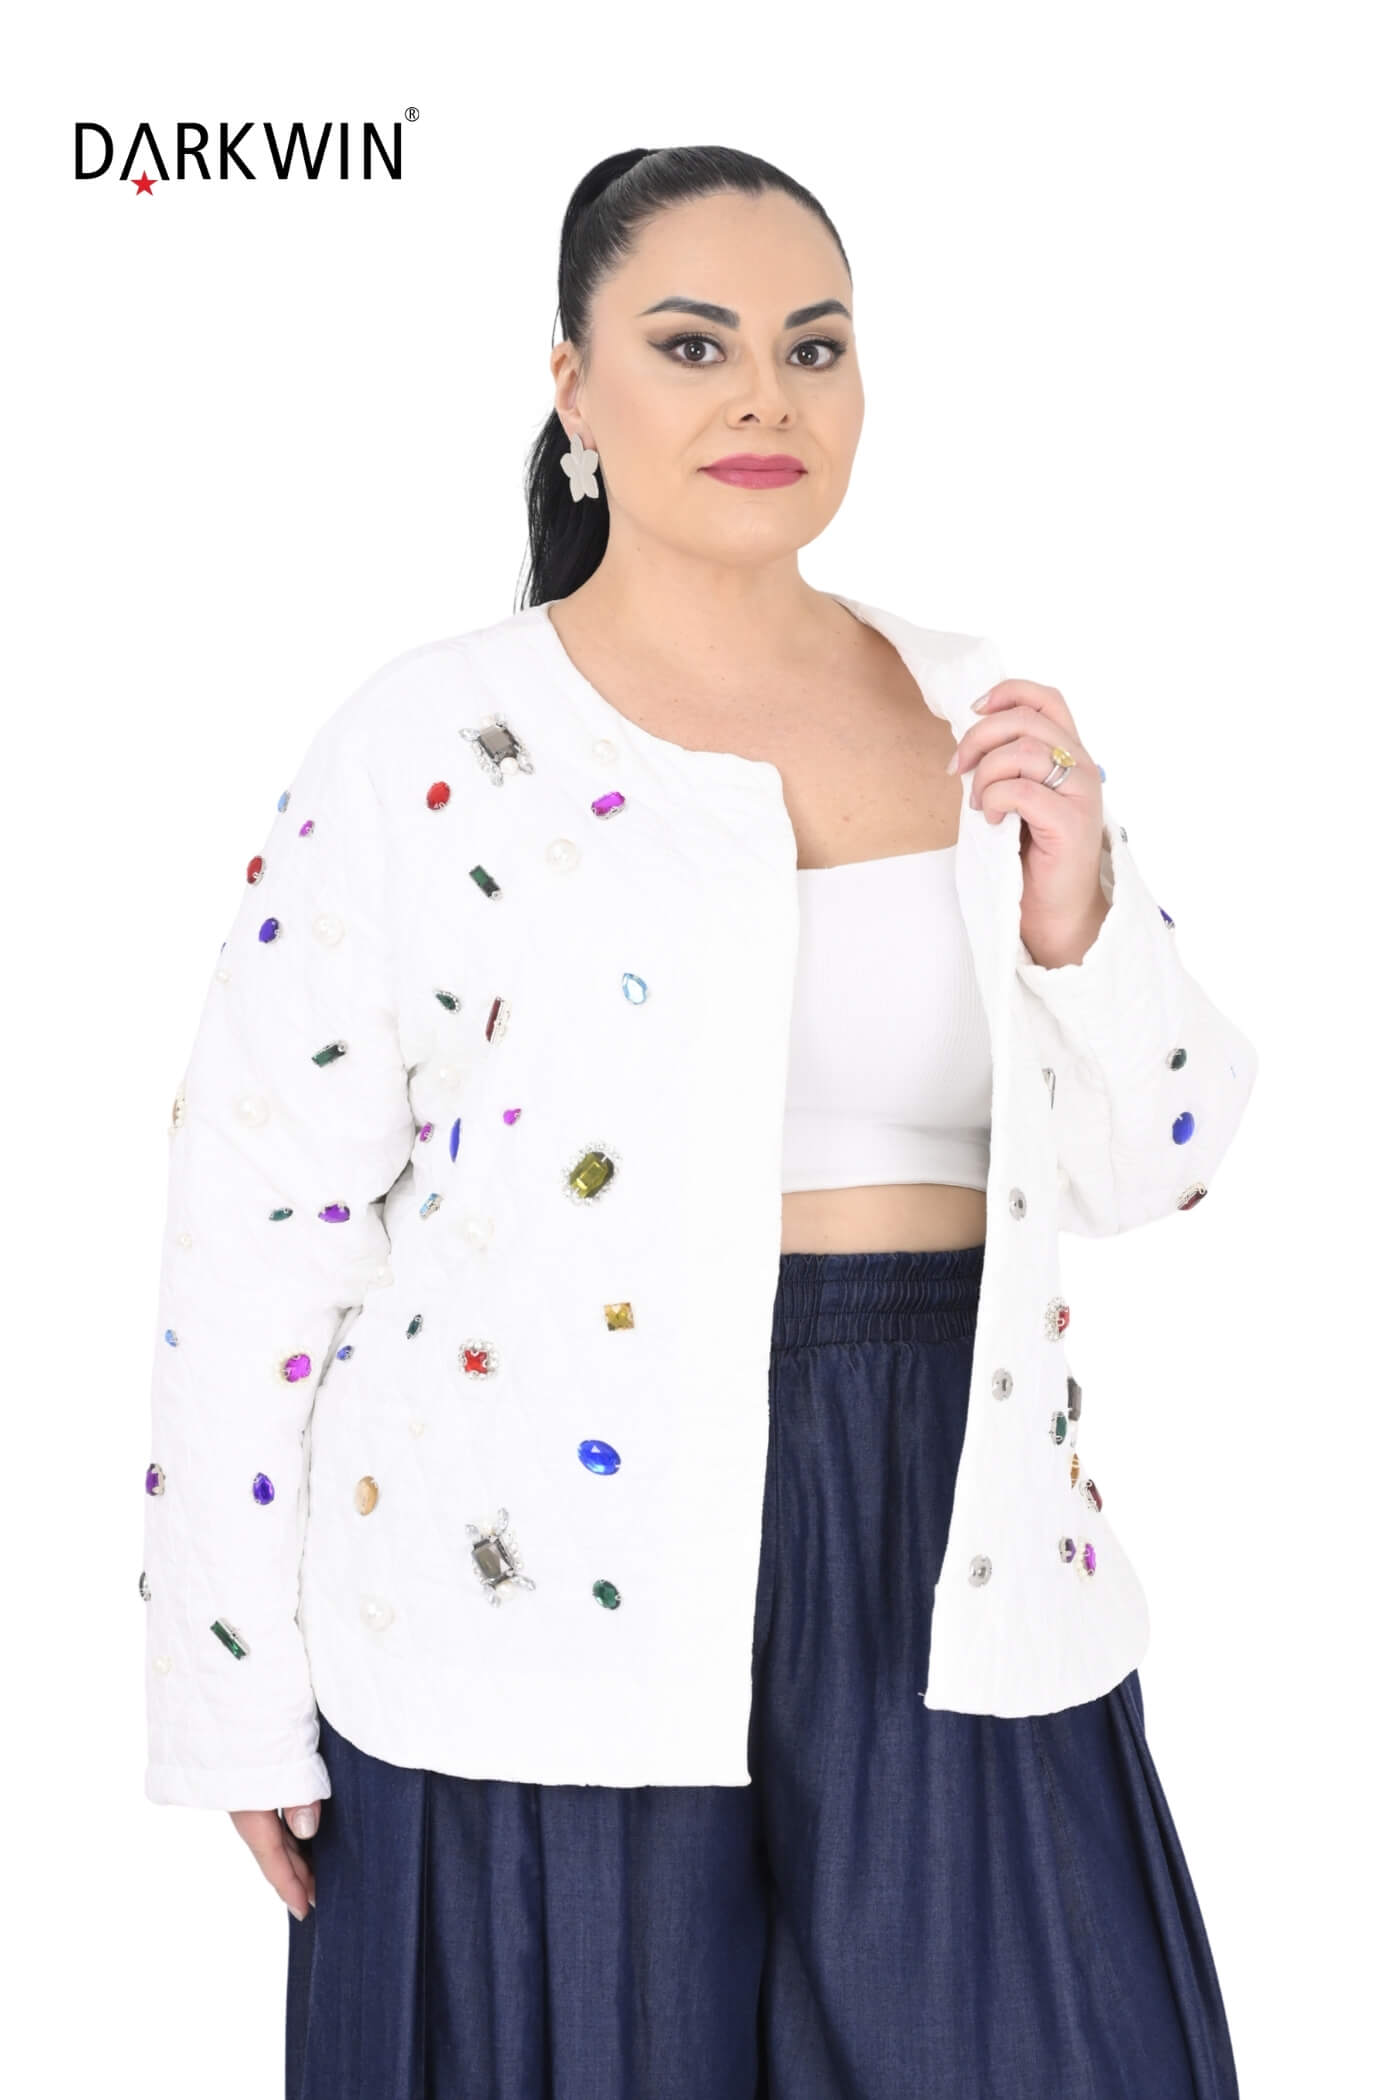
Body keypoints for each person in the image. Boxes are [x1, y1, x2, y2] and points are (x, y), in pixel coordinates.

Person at [142, 144, 1257, 2099]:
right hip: (526, 1539)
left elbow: (1153, 1160)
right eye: (692, 344)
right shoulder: (430, 742)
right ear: (572, 388)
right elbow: (256, 1218)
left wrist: (1075, 907)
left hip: (947, 1514)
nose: (765, 395)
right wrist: (229, 1693)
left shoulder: (982, 716)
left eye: (813, 347)